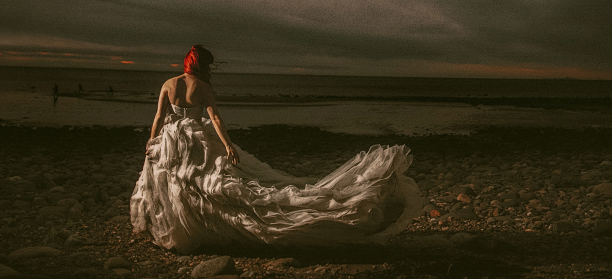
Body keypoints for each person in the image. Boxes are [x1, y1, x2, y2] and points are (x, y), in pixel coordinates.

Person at [130, 45, 422, 253]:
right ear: (202, 65)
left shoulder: (169, 83)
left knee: (182, 184)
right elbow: (215, 119)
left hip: (170, 139)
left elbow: (158, 116)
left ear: (186, 62)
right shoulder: (204, 88)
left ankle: (186, 229)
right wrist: (228, 145)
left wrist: (151, 139)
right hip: (196, 137)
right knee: (207, 183)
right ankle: (202, 227)